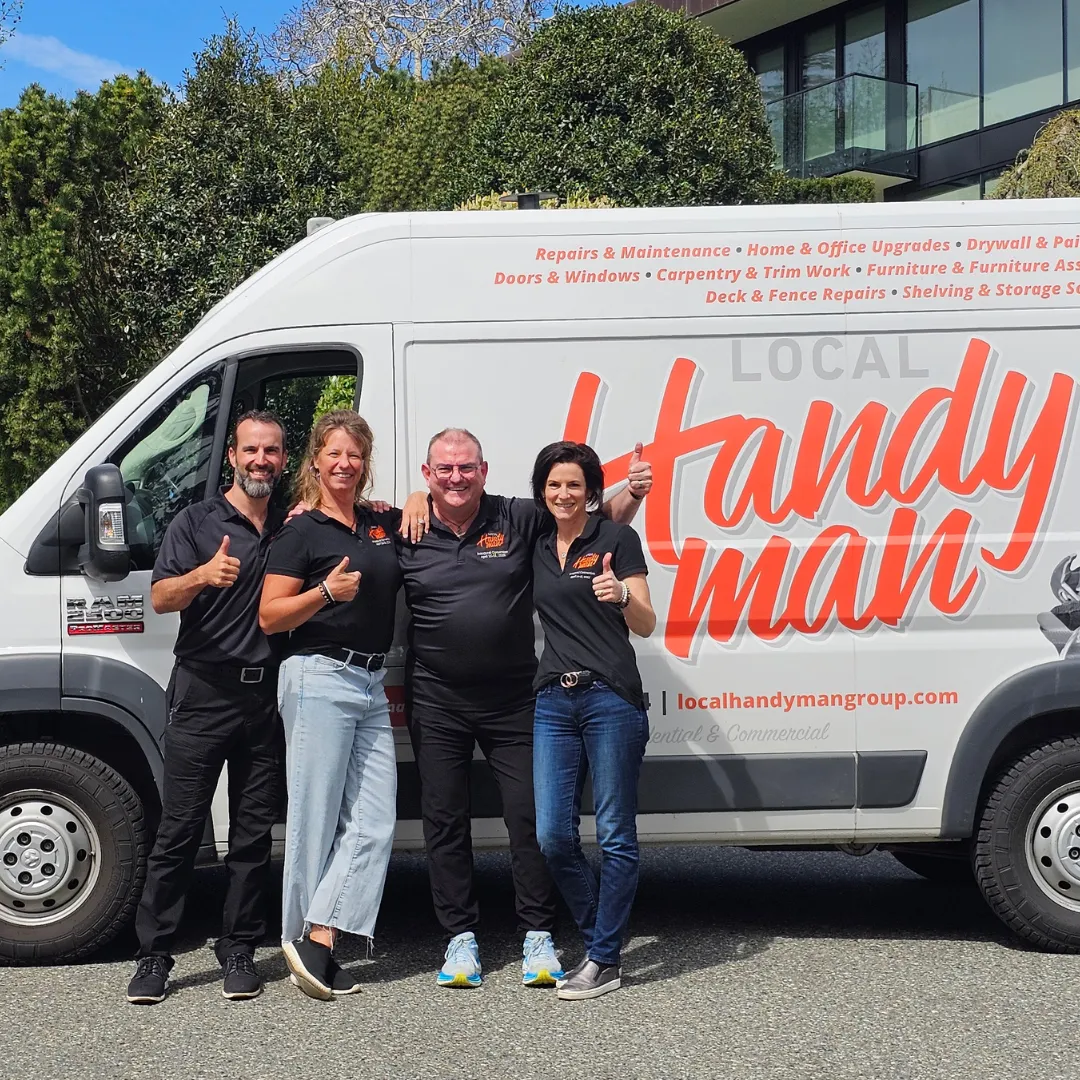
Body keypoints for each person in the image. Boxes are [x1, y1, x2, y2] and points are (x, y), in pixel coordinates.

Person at [398, 428, 651, 989]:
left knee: (531, 820)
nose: (456, 478)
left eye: (467, 468)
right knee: (443, 820)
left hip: (515, 697)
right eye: (444, 470)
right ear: (426, 473)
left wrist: (632, 494)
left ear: (485, 471)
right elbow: (353, 524)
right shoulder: (407, 527)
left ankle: (539, 935)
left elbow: (587, 517)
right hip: (436, 697)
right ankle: (460, 940)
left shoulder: (517, 518)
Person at [126, 411, 287, 1006]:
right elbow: (161, 597)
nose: (260, 460)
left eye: (271, 451)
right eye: (251, 450)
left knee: (251, 834)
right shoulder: (196, 521)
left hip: (263, 696)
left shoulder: (290, 525)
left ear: (283, 459)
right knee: (179, 830)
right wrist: (203, 574)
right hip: (202, 692)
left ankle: (238, 946)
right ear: (233, 457)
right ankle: (154, 956)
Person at [259, 410, 402, 1001]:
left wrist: (418, 494)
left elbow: (429, 512)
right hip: (317, 676)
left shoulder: (378, 522)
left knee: (375, 821)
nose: (345, 464)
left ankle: (315, 938)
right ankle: (307, 942)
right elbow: (270, 615)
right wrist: (324, 592)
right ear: (314, 460)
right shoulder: (301, 531)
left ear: (366, 465)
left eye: (356, 455)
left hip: (369, 683)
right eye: (334, 454)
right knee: (314, 822)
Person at [529, 441, 656, 1001]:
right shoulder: (532, 543)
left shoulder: (616, 539)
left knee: (614, 834)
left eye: (574, 485)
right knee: (553, 835)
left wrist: (622, 593)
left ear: (591, 492)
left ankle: (602, 959)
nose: (564, 494)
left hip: (610, 697)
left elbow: (648, 623)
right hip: (554, 700)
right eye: (555, 485)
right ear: (542, 491)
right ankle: (601, 941)